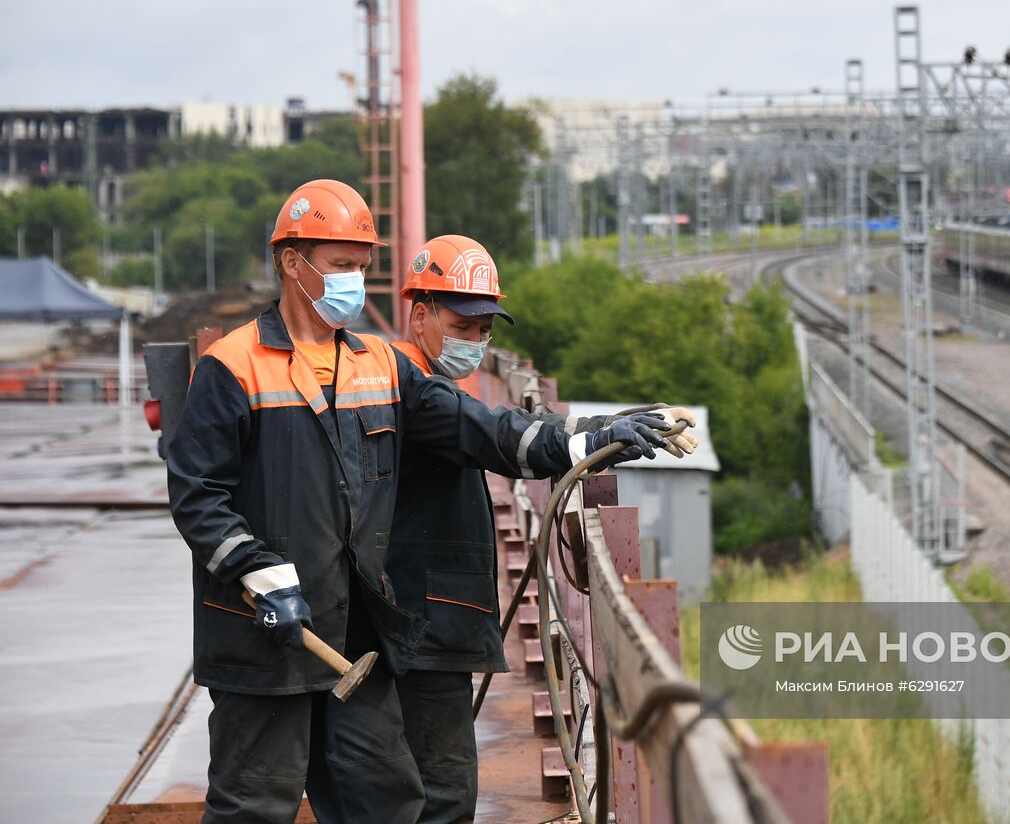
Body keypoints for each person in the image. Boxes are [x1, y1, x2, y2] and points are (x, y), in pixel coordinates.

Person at [164, 182, 677, 824]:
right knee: (254, 803)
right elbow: (196, 492)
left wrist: (587, 439)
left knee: (389, 798)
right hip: (261, 632)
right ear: (292, 262)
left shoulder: (378, 364)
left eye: (360, 265)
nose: (353, 279)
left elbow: (479, 427)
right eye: (339, 263)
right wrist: (254, 569)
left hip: (357, 635)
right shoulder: (234, 366)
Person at [388, 234, 696, 821]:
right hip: (422, 629)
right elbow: (501, 437)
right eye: (463, 325)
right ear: (420, 314)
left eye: (484, 330)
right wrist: (595, 440)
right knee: (443, 797)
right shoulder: (412, 389)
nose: (476, 341)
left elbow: (508, 423)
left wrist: (609, 423)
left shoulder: (423, 382)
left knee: (428, 788)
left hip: (427, 623)